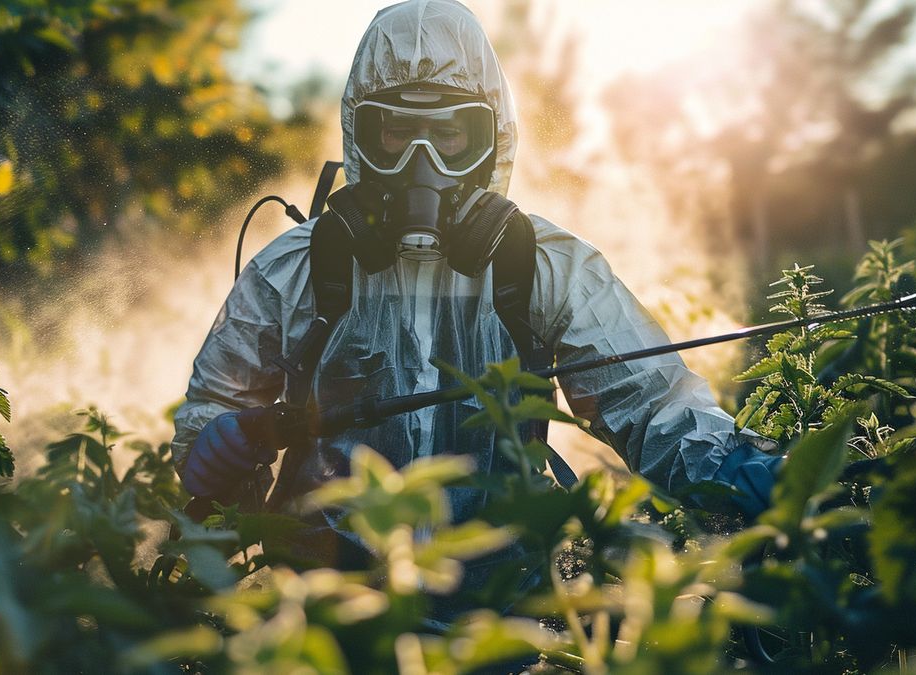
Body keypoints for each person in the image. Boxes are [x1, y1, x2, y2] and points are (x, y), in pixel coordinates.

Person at [172, 0, 780, 572]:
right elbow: (218, 418)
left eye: (451, 136)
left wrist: (749, 475)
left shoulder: (544, 265)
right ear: (361, 136)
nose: (422, 163)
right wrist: (215, 450)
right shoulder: (298, 268)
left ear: (493, 140)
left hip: (506, 609)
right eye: (396, 134)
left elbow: (651, 406)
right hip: (327, 609)